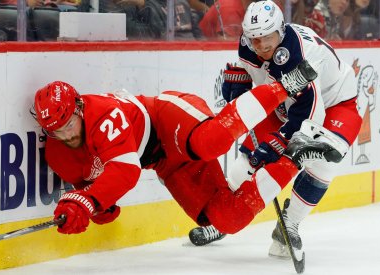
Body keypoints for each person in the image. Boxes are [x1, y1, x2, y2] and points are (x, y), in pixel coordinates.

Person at [30, 60, 335, 236]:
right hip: (165, 162)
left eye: (68, 123)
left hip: (166, 118)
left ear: (80, 107)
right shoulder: (58, 154)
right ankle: (296, 156)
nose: (64, 134)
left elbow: (125, 172)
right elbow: (95, 191)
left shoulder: (103, 114)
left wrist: (87, 201)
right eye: (54, 131)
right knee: (227, 220)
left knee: (208, 143)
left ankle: (286, 84)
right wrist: (94, 209)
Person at [189, 0, 362, 259]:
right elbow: (252, 76)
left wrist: (280, 141)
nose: (261, 45)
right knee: (248, 159)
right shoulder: (249, 45)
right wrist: (241, 83)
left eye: (267, 38)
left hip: (336, 101)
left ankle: (289, 225)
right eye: (255, 39)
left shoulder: (300, 56)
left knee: (323, 159)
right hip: (287, 100)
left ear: (280, 31)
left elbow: (310, 113)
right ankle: (219, 219)